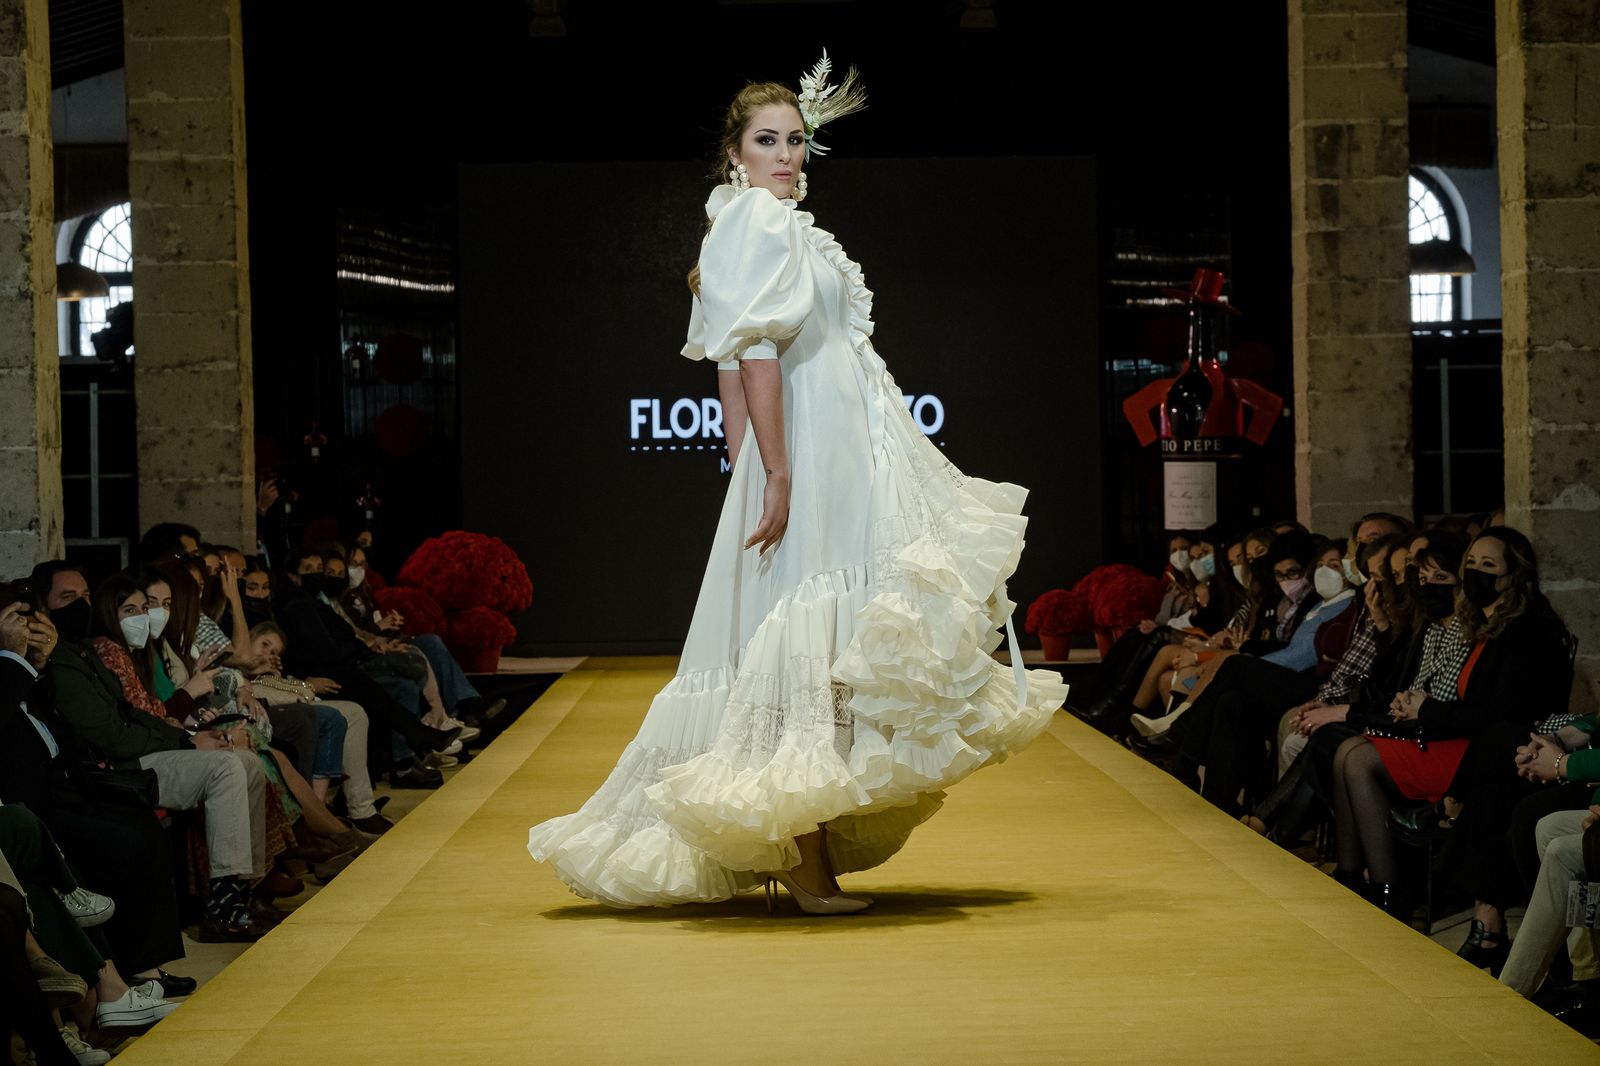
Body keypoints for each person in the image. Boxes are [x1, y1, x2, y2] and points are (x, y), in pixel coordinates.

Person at [529, 59, 1067, 914]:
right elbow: (748, 356)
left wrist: (747, 466)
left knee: (822, 648)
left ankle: (810, 855)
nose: (786, 154)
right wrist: (771, 472)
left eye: (794, 140)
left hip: (835, 458)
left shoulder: (769, 225)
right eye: (766, 141)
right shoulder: (756, 223)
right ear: (735, 154)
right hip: (813, 461)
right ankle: (807, 868)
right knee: (806, 650)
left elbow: (733, 369)